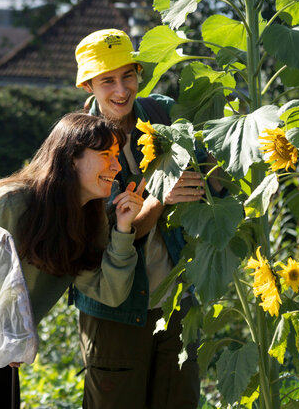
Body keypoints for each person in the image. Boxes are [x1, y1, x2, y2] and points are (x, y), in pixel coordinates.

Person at [0, 112, 146, 409]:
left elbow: (109, 292)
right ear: (71, 157)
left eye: (116, 155)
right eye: (105, 154)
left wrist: (124, 229)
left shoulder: (89, 219)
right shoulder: (7, 203)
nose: (116, 166)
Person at [72, 29, 224, 409]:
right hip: (114, 311)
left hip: (176, 299)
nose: (121, 90)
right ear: (89, 84)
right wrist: (162, 197)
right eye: (108, 80)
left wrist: (213, 170)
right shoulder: (76, 144)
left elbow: (214, 172)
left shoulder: (162, 113)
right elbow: (110, 236)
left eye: (128, 76)